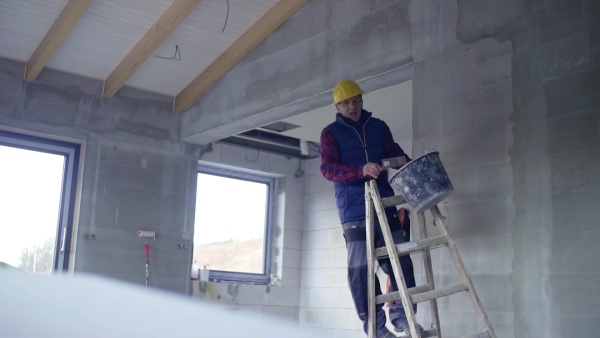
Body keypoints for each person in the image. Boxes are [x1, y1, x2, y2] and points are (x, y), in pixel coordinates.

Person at [319, 80, 424, 338]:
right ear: (337, 106)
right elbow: (327, 168)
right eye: (346, 102)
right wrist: (360, 171)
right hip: (354, 212)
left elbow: (395, 153)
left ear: (362, 101)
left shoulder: (378, 127)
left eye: (356, 100)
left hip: (385, 205)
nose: (352, 105)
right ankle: (377, 329)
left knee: (401, 261)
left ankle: (404, 318)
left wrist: (413, 169)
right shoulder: (330, 133)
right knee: (361, 272)